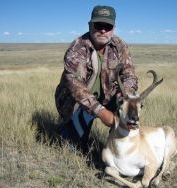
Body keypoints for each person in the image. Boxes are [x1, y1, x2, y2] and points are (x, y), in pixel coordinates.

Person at [54, 5, 138, 152]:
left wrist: (125, 93)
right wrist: (101, 112)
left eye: (108, 26)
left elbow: (129, 74)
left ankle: (116, 141)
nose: (103, 30)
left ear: (114, 28)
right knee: (74, 149)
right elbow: (76, 86)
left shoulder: (120, 46)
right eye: (99, 25)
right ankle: (67, 131)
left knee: (129, 113)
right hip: (77, 102)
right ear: (90, 25)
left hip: (107, 97)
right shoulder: (77, 48)